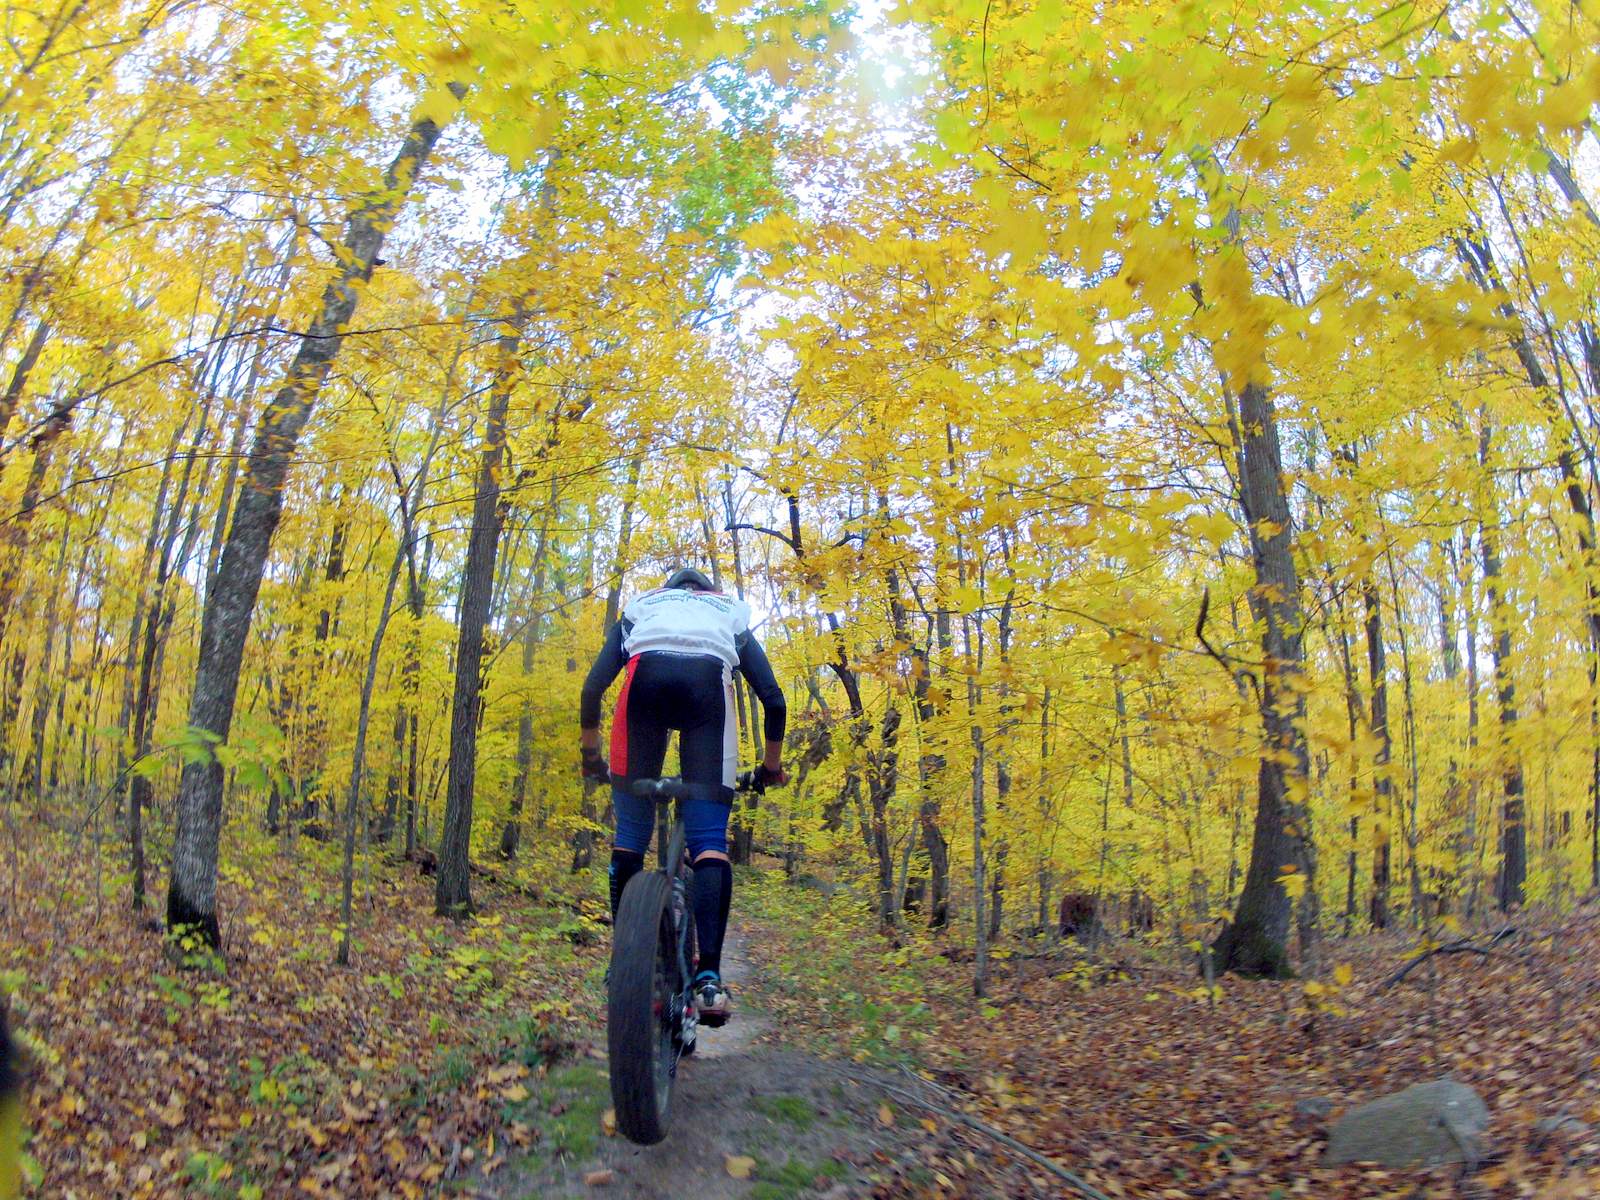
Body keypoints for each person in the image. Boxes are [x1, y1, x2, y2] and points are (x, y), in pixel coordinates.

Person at [579, 567, 786, 1020]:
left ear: (668, 591)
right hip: (706, 692)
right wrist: (770, 768)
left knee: (630, 838)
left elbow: (593, 687)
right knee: (709, 843)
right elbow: (774, 700)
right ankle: (708, 981)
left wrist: (592, 756)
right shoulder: (729, 612)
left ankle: (625, 963)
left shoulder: (641, 608)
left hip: (643, 688)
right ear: (706, 592)